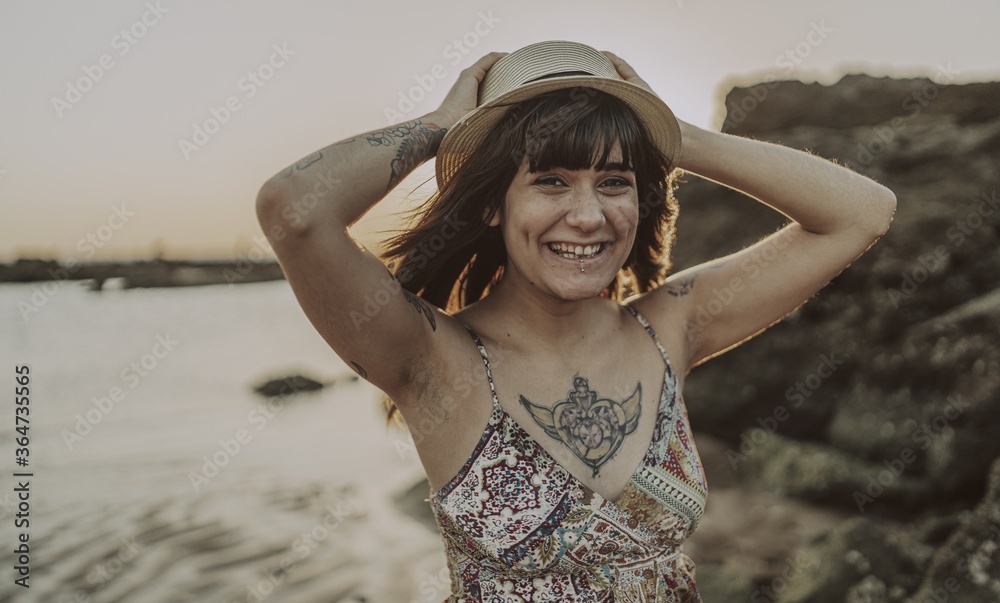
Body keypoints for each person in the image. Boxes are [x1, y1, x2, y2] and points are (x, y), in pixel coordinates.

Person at [255, 40, 896, 601]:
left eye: (614, 182)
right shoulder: (430, 359)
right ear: (492, 207)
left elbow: (861, 212)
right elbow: (294, 211)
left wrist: (677, 137)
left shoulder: (671, 327)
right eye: (551, 182)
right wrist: (442, 127)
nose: (589, 216)